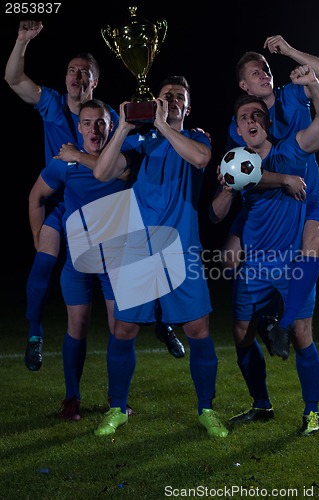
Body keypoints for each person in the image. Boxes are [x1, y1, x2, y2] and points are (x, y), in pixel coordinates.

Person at [4, 20, 184, 370]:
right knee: (44, 259)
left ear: (94, 82)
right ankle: (35, 334)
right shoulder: (51, 105)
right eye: (71, 71)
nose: (76, 77)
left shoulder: (109, 118)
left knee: (146, 249)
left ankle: (162, 320)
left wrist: (179, 128)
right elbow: (13, 78)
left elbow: (133, 154)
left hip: (106, 208)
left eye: (84, 73)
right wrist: (22, 40)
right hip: (65, 203)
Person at [90, 75, 229, 438]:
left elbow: (200, 158)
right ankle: (117, 408)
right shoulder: (140, 141)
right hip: (138, 247)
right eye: (165, 95)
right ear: (155, 101)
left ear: (187, 107)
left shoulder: (196, 139)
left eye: (179, 96)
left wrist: (165, 126)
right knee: (124, 329)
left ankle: (206, 410)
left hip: (182, 249)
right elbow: (103, 172)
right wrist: (121, 127)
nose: (171, 99)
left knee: (198, 330)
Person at [211, 64, 319, 435]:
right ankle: (261, 404)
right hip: (255, 267)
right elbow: (217, 214)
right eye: (243, 117)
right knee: (241, 335)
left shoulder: (293, 150)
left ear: (266, 123)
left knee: (301, 336)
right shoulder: (236, 166)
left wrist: (312, 83)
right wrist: (226, 190)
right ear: (237, 128)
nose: (250, 120)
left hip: (292, 263)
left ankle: (311, 410)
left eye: (257, 115)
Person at [222, 36, 319, 358]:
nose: (264, 73)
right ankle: (265, 316)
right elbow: (246, 177)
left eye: (266, 68)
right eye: (255, 71)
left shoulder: (291, 95)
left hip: (306, 195)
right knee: (229, 259)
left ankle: (284, 324)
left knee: (313, 241)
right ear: (244, 85)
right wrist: (283, 179)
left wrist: (290, 52)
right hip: (263, 202)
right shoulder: (244, 119)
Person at [28, 98, 133, 420]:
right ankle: (71, 399)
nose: (94, 129)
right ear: (79, 127)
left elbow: (110, 172)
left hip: (114, 261)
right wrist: (37, 238)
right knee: (78, 325)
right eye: (87, 123)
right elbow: (36, 196)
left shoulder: (124, 158)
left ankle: (118, 400)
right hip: (78, 262)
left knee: (121, 329)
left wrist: (77, 155)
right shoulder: (64, 163)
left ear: (111, 125)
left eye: (100, 122)